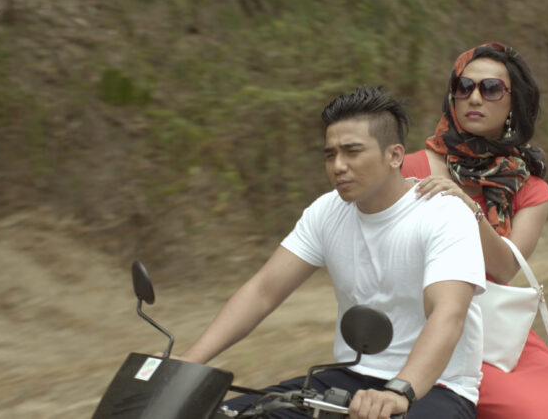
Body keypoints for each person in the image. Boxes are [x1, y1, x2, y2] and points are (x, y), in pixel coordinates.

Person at [179, 85, 486, 419]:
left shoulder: (443, 213)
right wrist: (187, 365)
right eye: (330, 155)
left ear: (395, 156)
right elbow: (263, 291)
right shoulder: (326, 212)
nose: (338, 166)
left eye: (352, 152)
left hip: (436, 388)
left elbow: (448, 314)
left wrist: (400, 391)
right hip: (350, 377)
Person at [401, 43, 548, 418]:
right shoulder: (408, 168)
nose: (474, 98)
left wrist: (467, 207)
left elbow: (504, 268)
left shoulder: (531, 188)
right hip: (414, 324)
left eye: (490, 89)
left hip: (488, 333)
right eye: (463, 87)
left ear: (512, 104)